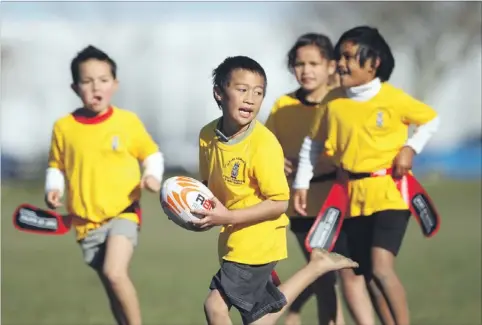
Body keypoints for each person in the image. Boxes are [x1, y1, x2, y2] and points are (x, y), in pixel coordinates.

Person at [192, 55, 358, 325]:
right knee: (258, 320)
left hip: (258, 239)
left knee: (215, 307)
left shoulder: (264, 144)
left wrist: (228, 218)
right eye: (242, 89)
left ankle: (315, 267)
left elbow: (280, 202)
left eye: (258, 92)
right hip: (232, 240)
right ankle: (316, 266)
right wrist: (192, 213)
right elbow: (209, 188)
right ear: (219, 93)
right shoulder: (207, 135)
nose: (250, 99)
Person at [292, 26, 440, 325]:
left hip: (389, 194)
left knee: (382, 268)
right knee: (364, 273)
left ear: (374, 64)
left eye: (349, 57)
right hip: (349, 199)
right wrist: (300, 184)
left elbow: (430, 120)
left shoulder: (393, 98)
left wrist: (410, 147)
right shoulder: (332, 101)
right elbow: (313, 144)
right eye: (339, 57)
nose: (341, 64)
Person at [44, 45, 164, 325]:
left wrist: (152, 176)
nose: (95, 87)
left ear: (115, 84)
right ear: (75, 87)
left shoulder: (127, 122)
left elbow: (152, 154)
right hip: (86, 222)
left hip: (123, 212)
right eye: (87, 81)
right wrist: (54, 189)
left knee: (115, 272)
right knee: (113, 289)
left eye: (103, 80)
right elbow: (55, 166)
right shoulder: (64, 127)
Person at [264, 33, 345, 325]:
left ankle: (294, 307)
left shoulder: (344, 102)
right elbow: (265, 149)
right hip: (302, 204)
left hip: (343, 201)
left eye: (314, 63)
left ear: (332, 66)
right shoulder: (283, 107)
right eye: (299, 63)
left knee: (348, 274)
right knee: (323, 275)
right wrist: (277, 163)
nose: (306, 70)